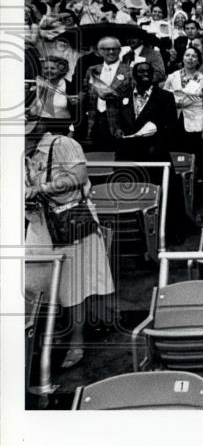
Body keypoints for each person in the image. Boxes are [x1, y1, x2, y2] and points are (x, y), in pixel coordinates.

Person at [24, 115, 114, 370]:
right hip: (38, 224)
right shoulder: (17, 153)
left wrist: (43, 188)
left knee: (72, 286)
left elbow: (79, 176)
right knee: (33, 284)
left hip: (69, 222)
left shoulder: (62, 144)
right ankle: (44, 337)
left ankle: (77, 342)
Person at [163, 47, 203, 181]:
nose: (190, 59)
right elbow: (164, 98)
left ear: (198, 60)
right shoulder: (172, 77)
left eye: (193, 56)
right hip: (176, 120)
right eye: (187, 55)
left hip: (195, 121)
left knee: (200, 156)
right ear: (183, 58)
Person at [109, 62, 177, 163]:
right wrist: (117, 130)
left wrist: (158, 143)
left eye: (148, 71)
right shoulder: (123, 96)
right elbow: (117, 119)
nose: (145, 74)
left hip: (154, 153)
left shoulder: (165, 97)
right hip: (127, 152)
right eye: (141, 71)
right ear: (134, 75)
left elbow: (171, 126)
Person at [82, 37, 131, 150]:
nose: (111, 52)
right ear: (100, 51)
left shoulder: (129, 71)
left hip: (118, 122)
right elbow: (86, 91)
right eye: (107, 49)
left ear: (120, 50)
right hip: (94, 120)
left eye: (115, 49)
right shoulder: (92, 70)